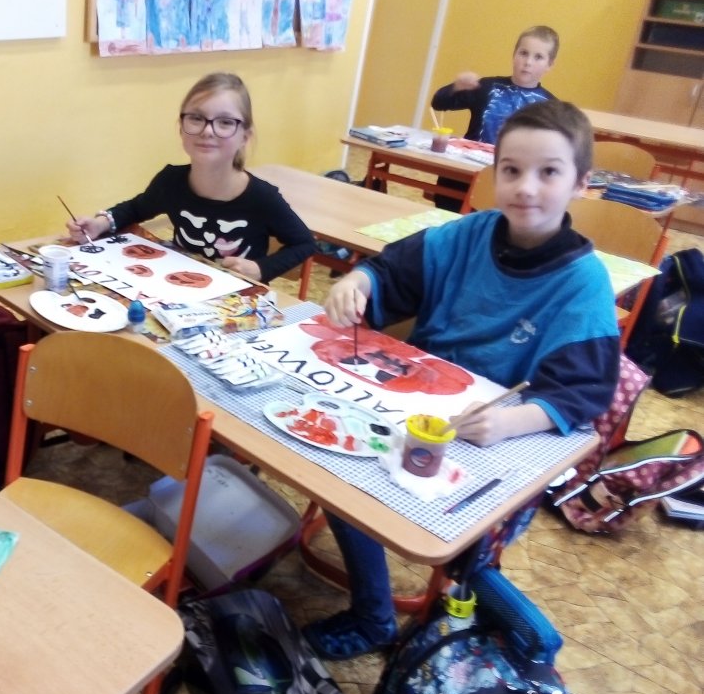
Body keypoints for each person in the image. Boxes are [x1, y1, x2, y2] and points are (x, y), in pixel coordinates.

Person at [305, 100, 620, 660]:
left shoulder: (583, 281)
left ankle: (453, 609)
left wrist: (508, 422)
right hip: (419, 405)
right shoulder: (469, 234)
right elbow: (392, 270)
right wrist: (358, 281)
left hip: (501, 436)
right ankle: (375, 616)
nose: (526, 187)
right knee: (338, 465)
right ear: (494, 173)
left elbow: (582, 392)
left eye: (549, 172)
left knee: (457, 539)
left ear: (581, 184)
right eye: (511, 170)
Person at [67, 72, 316, 284]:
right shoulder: (171, 181)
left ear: (245, 136)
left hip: (237, 302)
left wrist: (261, 269)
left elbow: (304, 244)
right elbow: (135, 209)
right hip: (178, 290)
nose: (207, 131)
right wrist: (100, 223)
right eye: (196, 118)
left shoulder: (262, 198)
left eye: (225, 122)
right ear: (181, 127)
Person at [430, 25, 559, 210]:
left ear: (550, 65)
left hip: (511, 185)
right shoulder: (486, 87)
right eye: (523, 53)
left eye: (538, 57)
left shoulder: (551, 107)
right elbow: (439, 103)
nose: (528, 62)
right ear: (514, 55)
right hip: (465, 177)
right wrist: (456, 87)